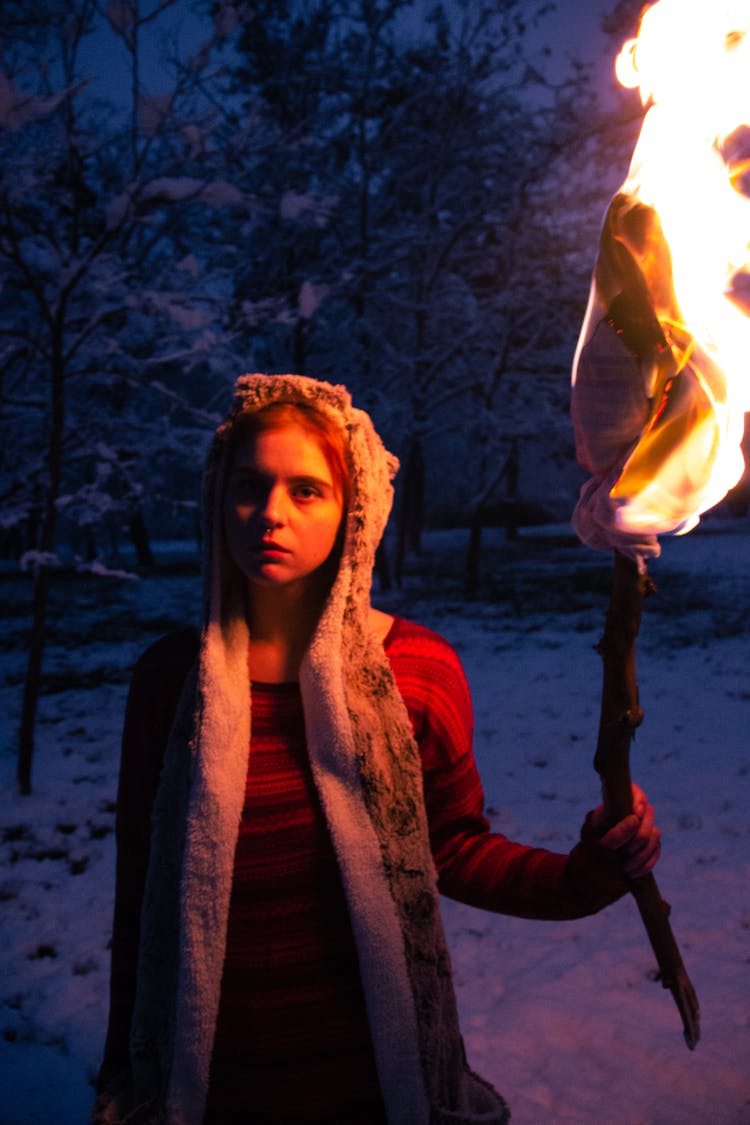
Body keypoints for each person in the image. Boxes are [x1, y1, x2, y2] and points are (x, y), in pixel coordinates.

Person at [93, 373, 661, 1125]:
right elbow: (143, 887)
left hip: (370, 1074)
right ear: (214, 499)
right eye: (249, 486)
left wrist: (589, 872)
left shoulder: (417, 671)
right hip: (213, 1081)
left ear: (354, 508)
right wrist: (122, 1071)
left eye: (306, 490)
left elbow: (452, 847)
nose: (270, 514)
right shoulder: (171, 681)